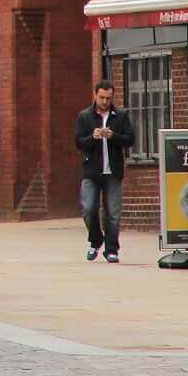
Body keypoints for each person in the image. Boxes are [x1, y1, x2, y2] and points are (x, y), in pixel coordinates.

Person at [74, 79, 134, 263]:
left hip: (113, 171)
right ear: (95, 95)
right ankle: (95, 239)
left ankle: (111, 249)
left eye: (108, 98)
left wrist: (113, 136)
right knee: (88, 208)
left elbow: (130, 139)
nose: (105, 101)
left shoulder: (121, 116)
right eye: (101, 97)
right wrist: (92, 137)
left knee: (113, 212)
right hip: (91, 171)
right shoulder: (85, 116)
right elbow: (78, 142)